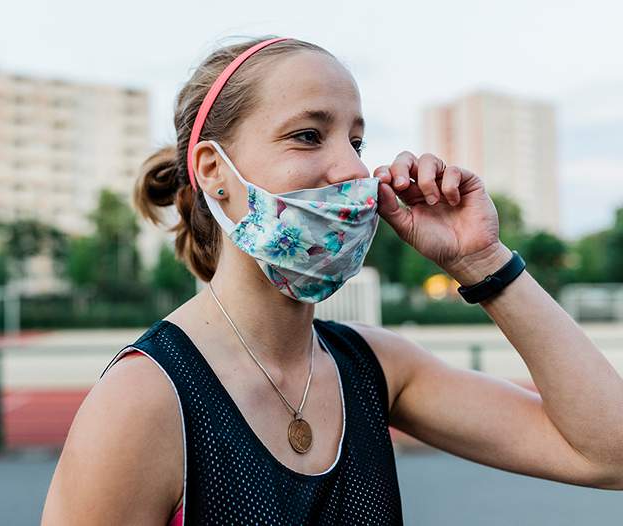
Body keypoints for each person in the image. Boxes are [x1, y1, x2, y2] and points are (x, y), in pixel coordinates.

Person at [41, 36, 623, 525]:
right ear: (215, 173)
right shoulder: (146, 398)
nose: (352, 168)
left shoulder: (377, 368)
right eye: (308, 135)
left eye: (357, 140)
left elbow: (607, 455)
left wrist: (481, 261)